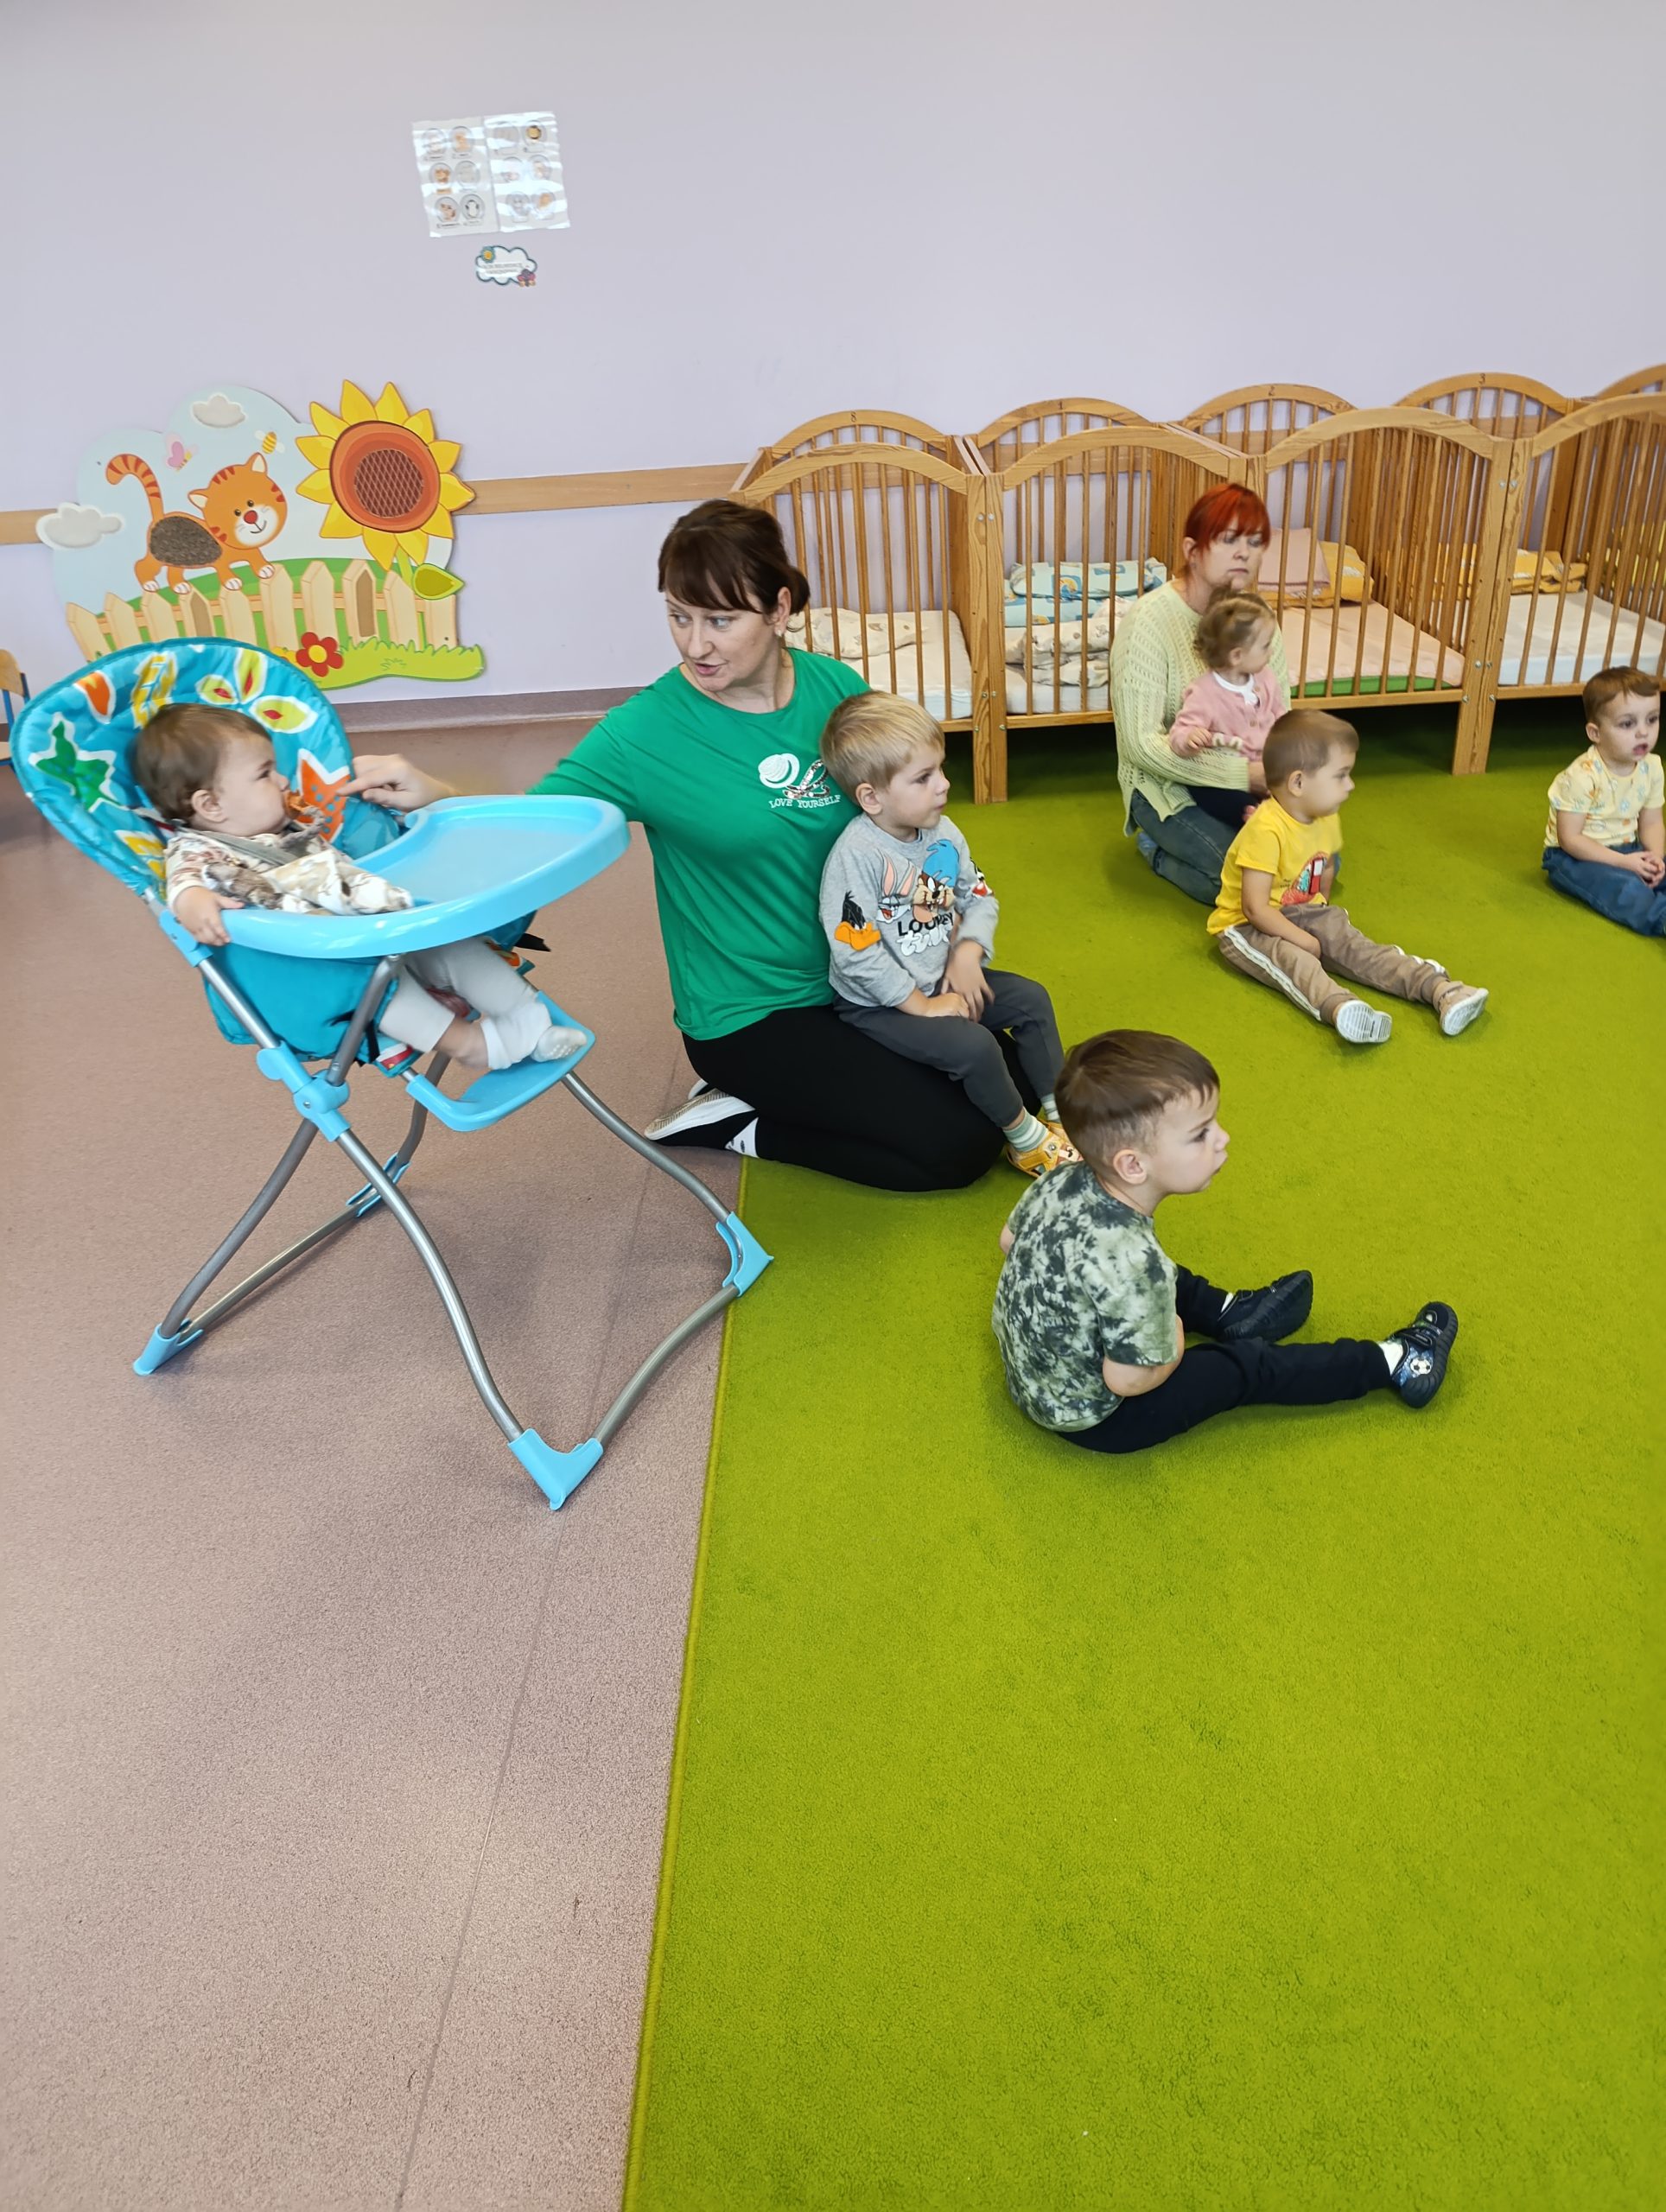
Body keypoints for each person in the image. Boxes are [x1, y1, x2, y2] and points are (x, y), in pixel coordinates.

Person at [343, 500, 1015, 1189]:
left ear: (779, 610)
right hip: (754, 1014)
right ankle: (734, 1121)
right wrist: (436, 793)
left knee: (1006, 1069)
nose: (696, 645)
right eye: (679, 616)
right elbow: (538, 822)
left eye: (720, 620)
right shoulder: (644, 733)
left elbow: (898, 823)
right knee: (956, 1146)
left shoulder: (836, 690)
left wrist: (946, 938)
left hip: (864, 977)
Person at [992, 1029, 1460, 1456]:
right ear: (1133, 1166)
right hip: (1102, 1419)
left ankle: (1229, 1312)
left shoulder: (1059, 1180)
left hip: (1030, 1379)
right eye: (1200, 1134)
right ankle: (1399, 1362)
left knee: (1155, 1277)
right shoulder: (1136, 1261)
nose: (1223, 1138)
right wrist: (1174, 1342)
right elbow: (1126, 1379)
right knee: (1242, 1367)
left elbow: (1009, 1240)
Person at [133, 702, 583, 1075]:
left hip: (375, 935)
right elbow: (184, 881)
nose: (284, 780)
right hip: (321, 970)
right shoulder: (201, 849)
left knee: (457, 947)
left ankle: (528, 1020)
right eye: (265, 773)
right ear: (211, 805)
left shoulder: (286, 830)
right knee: (382, 991)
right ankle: (474, 1047)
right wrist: (192, 901)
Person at [817, 691, 1074, 1178]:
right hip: (878, 1005)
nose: (944, 785)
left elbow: (978, 897)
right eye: (923, 778)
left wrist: (967, 953)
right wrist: (923, 1005)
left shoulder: (944, 834)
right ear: (872, 797)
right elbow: (857, 955)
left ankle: (1062, 1114)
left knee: (1032, 1000)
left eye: (940, 769)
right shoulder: (856, 857)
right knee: (976, 1047)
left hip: (940, 976)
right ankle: (1026, 1141)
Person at [1207, 710, 1489, 1045]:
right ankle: (1342, 1008)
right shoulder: (1265, 830)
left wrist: (1321, 915)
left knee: (1358, 949)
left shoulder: (1325, 816)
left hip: (1303, 911)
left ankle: (1441, 989)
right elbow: (1254, 908)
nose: (1351, 785)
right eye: (1340, 776)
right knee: (1295, 961)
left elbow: (1325, 866)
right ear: (1298, 783)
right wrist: (1304, 939)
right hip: (1246, 927)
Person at [1108, 486, 1291, 906]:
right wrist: (1242, 775)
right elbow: (1140, 746)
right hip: (1166, 784)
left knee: (1313, 863)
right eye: (1229, 540)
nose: (1244, 553)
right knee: (1240, 881)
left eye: (1255, 541)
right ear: (1192, 551)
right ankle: (1156, 851)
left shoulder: (1259, 621)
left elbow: (1283, 717)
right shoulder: (1149, 621)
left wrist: (1282, 778)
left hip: (1250, 781)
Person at [1541, 665, 1664, 935]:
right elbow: (1570, 839)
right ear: (1595, 733)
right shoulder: (1582, 776)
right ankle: (1660, 916)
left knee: (1658, 869)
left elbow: (1652, 822)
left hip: (1630, 847)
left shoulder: (1652, 767)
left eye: (1652, 719)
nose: (1643, 732)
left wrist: (1655, 857)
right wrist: (1625, 863)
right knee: (1623, 887)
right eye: (1628, 724)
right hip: (1575, 856)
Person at [1165, 591, 1287, 830]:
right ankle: (1255, 821)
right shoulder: (1204, 693)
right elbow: (1180, 730)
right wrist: (1189, 738)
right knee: (1224, 798)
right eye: (1265, 646)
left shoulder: (1266, 678)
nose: (1271, 652)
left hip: (1266, 766)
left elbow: (1281, 716)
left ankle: (1274, 822)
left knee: (1301, 792)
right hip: (1225, 777)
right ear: (1237, 655)